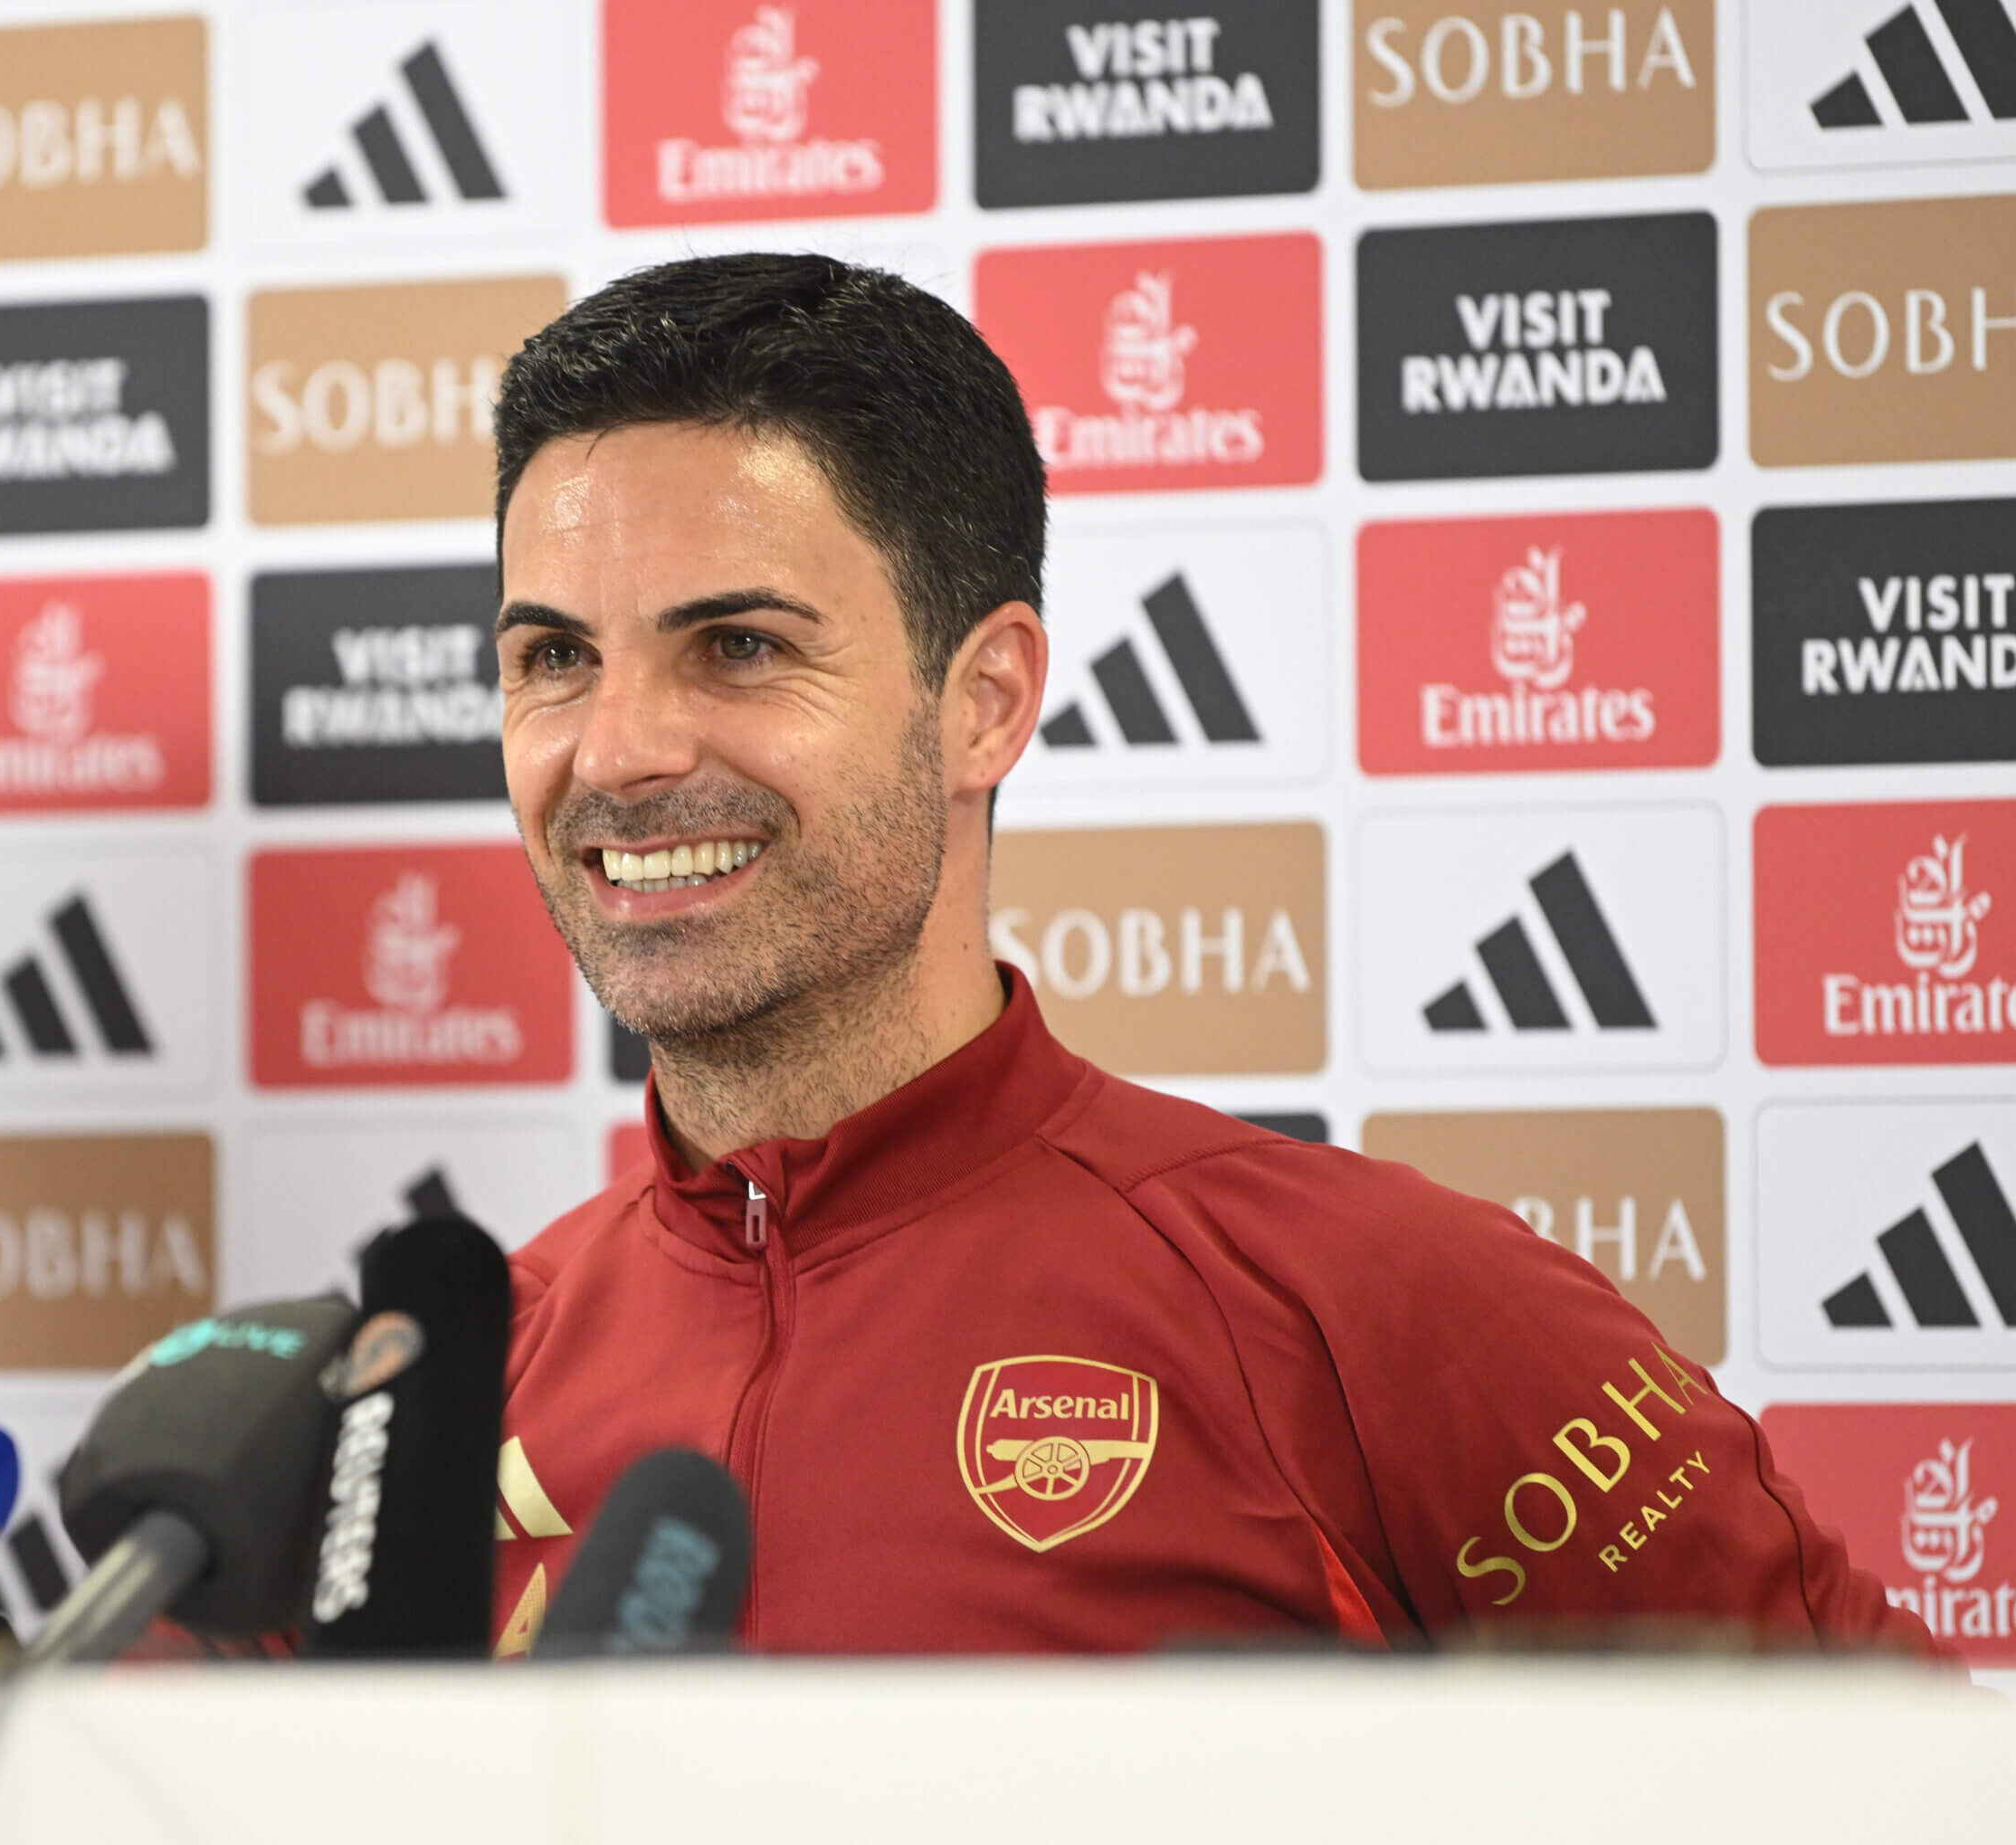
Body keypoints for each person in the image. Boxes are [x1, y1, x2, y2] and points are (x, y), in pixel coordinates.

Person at [483, 252, 1936, 1660]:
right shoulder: (469, 1388)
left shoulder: (1371, 1305)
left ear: (985, 702)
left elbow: (1897, 1779)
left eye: (739, 647)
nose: (615, 751)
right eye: (555, 659)